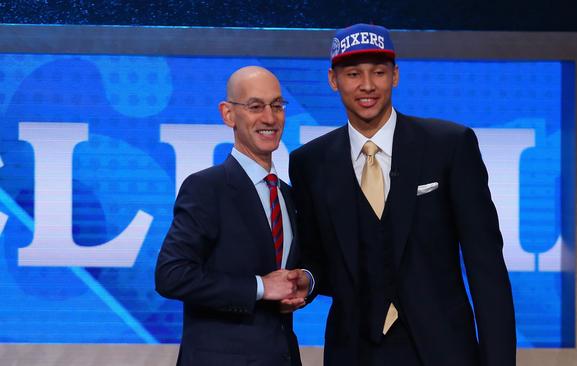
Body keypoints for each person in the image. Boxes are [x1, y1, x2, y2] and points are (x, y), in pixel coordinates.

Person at [289, 24, 516, 366]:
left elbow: (487, 268)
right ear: (333, 80)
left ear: (395, 76)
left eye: (378, 72)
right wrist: (305, 278)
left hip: (444, 352)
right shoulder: (310, 163)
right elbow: (318, 259)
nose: (367, 85)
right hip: (353, 353)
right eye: (353, 73)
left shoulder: (449, 146)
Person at [156, 66, 308, 366]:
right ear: (228, 114)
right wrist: (261, 287)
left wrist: (303, 282)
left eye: (277, 105)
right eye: (255, 106)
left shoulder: (289, 195)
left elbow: (296, 272)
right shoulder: (206, 188)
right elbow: (171, 275)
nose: (269, 118)